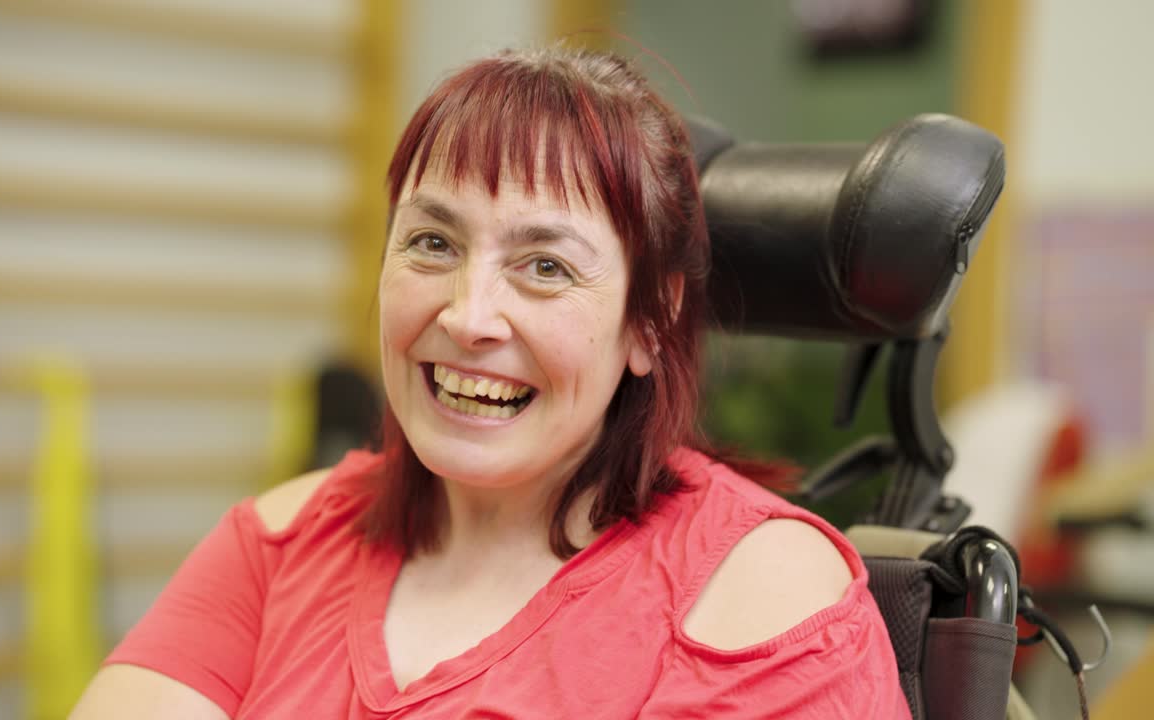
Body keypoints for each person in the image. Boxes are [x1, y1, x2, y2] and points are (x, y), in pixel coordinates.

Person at [71, 46, 910, 718]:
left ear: (649, 319)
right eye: (433, 244)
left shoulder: (758, 598)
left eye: (544, 266)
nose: (469, 316)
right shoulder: (280, 544)